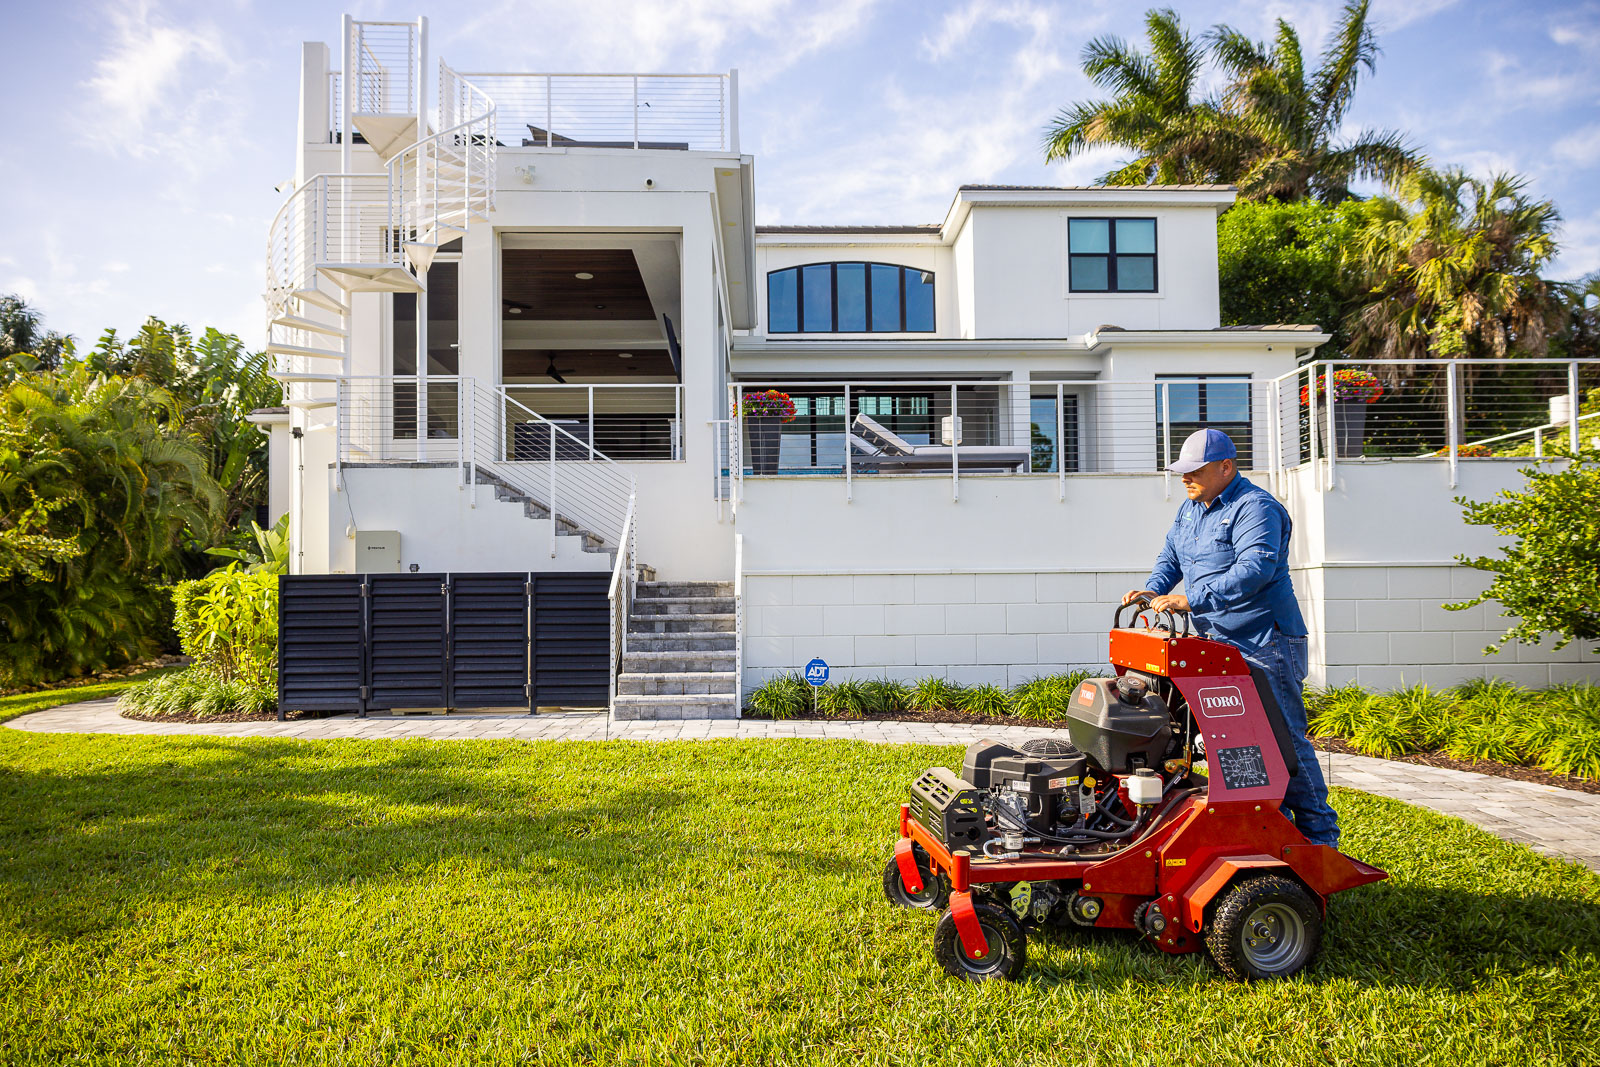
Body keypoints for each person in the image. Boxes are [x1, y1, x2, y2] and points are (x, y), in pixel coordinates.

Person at [1122, 427, 1340, 847]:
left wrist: (1189, 600)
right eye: (1182, 472)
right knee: (1231, 739)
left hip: (1264, 641)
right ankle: (1271, 828)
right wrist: (1153, 589)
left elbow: (1254, 571)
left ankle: (1319, 840)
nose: (1185, 479)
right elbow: (1171, 555)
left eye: (1194, 471)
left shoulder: (1256, 508)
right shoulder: (1192, 508)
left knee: (1284, 738)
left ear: (1226, 467)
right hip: (1216, 643)